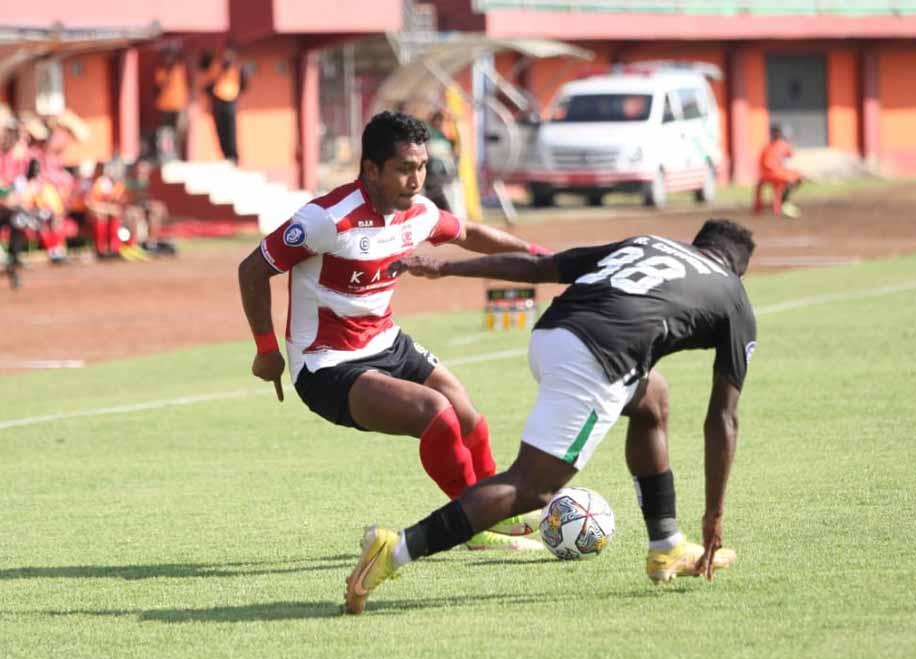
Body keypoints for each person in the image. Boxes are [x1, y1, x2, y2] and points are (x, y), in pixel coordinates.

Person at [342, 218, 758, 615]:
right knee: (531, 487)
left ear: (695, 245)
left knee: (652, 398)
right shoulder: (734, 297)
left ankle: (665, 545)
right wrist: (714, 514)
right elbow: (723, 418)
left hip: (551, 335)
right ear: (737, 270)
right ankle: (395, 550)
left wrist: (447, 266)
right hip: (597, 360)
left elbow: (542, 266)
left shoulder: (647, 244)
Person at [237, 110, 554, 551]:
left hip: (387, 341)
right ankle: (474, 525)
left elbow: (470, 235)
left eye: (422, 166)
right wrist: (266, 350)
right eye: (405, 168)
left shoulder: (418, 212)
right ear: (370, 169)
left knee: (468, 418)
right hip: (327, 365)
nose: (417, 178)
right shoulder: (326, 220)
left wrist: (541, 258)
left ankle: (501, 506)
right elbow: (252, 270)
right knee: (436, 414)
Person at [202, 47, 246, 163]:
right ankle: (225, 155)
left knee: (230, 129)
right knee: (220, 129)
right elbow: (209, 83)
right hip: (218, 100)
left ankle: (233, 156)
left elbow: (243, 84)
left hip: (230, 100)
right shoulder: (217, 66)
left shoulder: (237, 68)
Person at [757, 124, 804, 218]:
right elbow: (790, 155)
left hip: (765, 175)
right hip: (776, 174)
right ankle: (784, 201)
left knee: (792, 177)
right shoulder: (783, 144)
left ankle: (774, 205)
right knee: (798, 177)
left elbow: (761, 162)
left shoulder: (767, 146)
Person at [154, 49, 189, 161]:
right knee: (166, 132)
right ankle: (167, 154)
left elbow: (183, 58)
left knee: (178, 130)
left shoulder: (179, 69)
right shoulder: (161, 71)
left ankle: (177, 154)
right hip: (165, 106)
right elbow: (159, 85)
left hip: (179, 105)